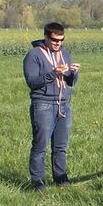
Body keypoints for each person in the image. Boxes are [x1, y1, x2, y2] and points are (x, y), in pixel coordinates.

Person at [24, 22, 80, 191]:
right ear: (46, 37)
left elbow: (70, 82)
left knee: (61, 146)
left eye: (61, 40)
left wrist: (73, 73)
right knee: (40, 146)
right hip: (43, 105)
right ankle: (38, 183)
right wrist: (53, 73)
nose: (58, 44)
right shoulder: (33, 55)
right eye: (55, 40)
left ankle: (61, 179)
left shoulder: (64, 53)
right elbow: (32, 82)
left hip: (63, 105)